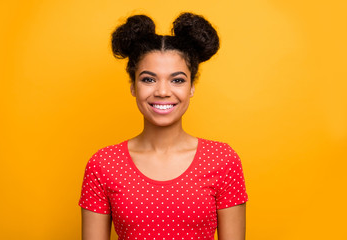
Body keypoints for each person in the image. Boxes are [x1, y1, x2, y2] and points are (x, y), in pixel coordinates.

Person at [79, 12, 248, 240]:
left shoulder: (223, 161)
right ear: (133, 86)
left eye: (177, 80)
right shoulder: (103, 165)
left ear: (191, 87)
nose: (162, 91)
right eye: (148, 79)